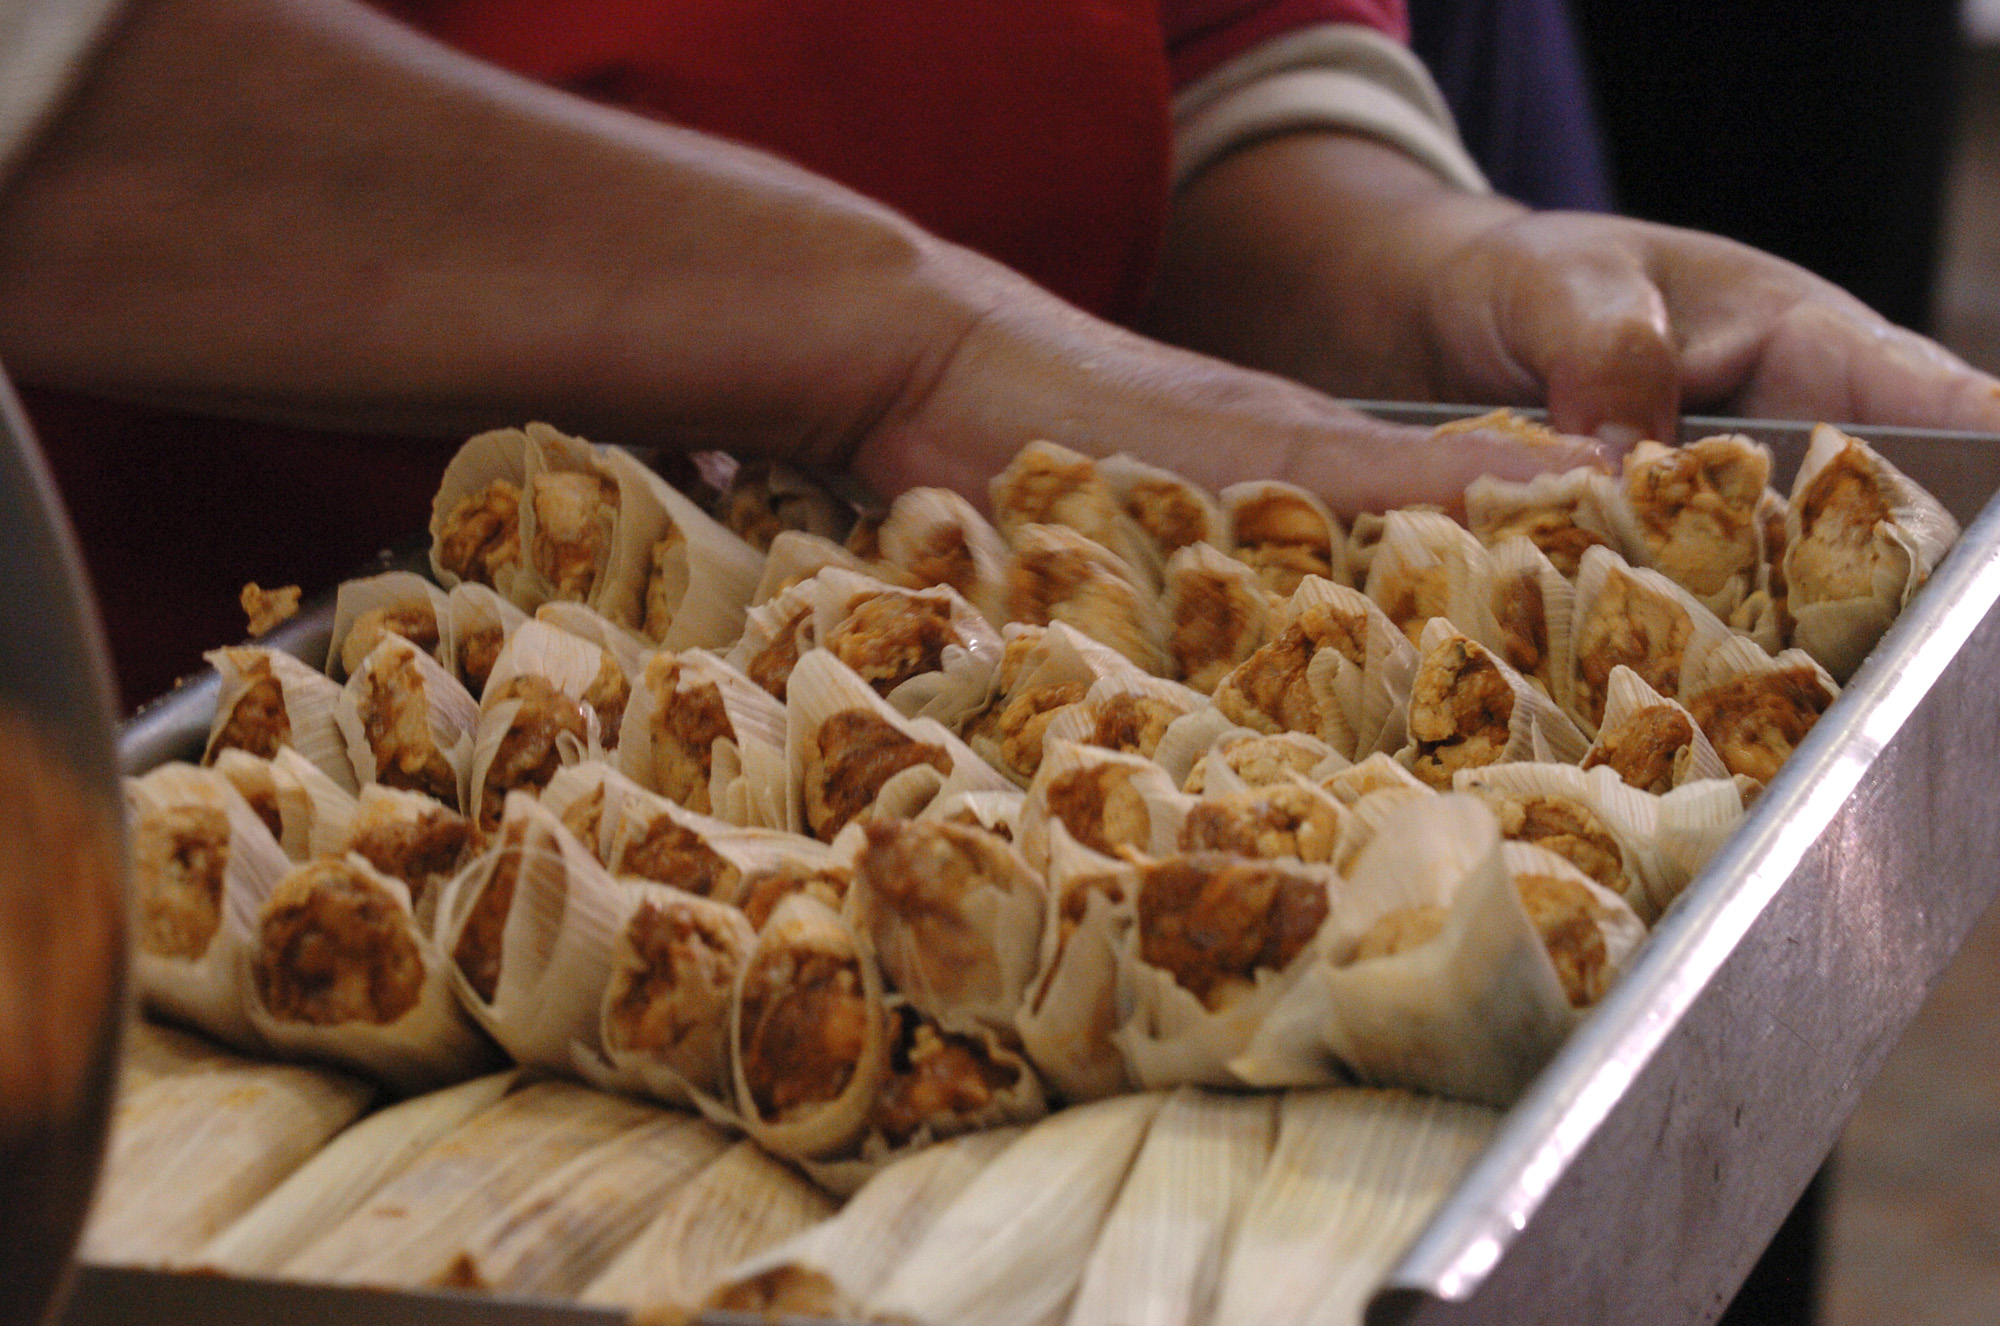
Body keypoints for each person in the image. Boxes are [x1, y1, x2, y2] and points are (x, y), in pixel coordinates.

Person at [0, 0, 1996, 703]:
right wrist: (900, 342)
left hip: (1008, 650)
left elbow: (1170, 40)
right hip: (173, 746)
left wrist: (1431, 263)